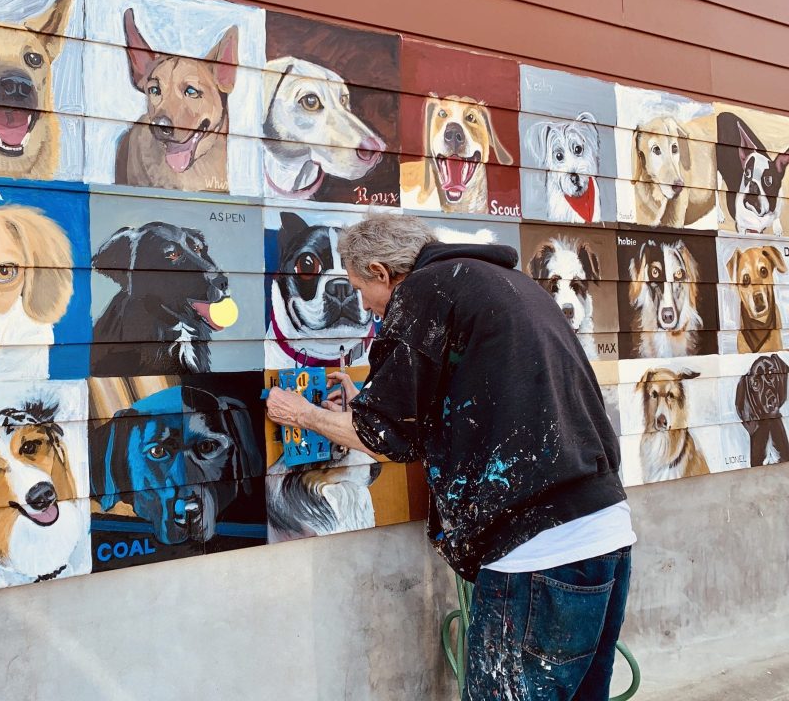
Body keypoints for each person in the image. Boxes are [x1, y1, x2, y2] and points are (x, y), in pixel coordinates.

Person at [265, 214, 635, 700]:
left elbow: (385, 438)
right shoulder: (505, 284)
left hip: (536, 554)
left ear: (382, 272)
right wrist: (372, 399)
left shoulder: (424, 293)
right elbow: (469, 400)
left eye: (360, 289)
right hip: (606, 533)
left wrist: (302, 414)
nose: (364, 306)